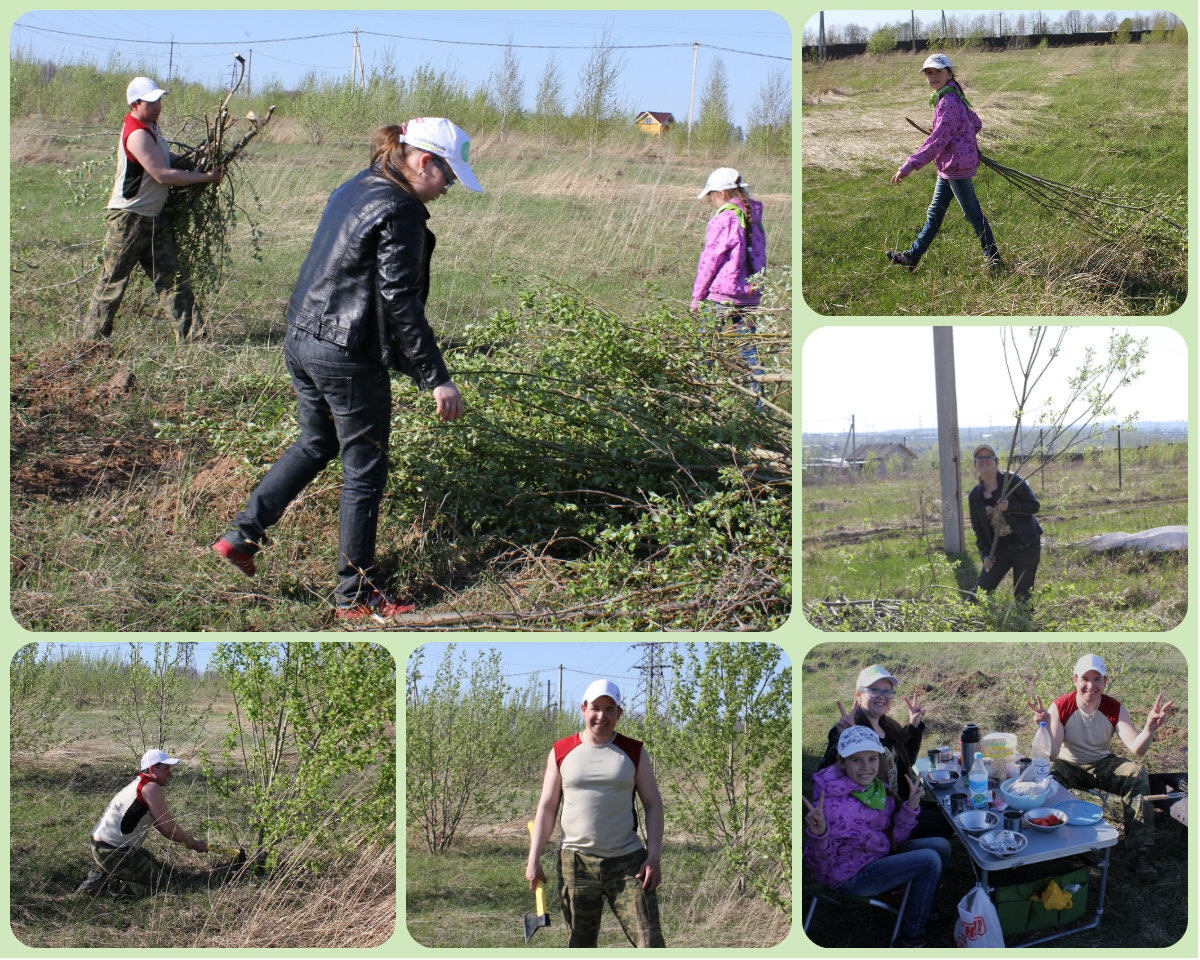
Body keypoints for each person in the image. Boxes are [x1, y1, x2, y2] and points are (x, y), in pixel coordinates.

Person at [211, 117, 480, 619]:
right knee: (365, 470)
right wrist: (436, 376)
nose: (449, 187)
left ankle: (242, 537)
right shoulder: (401, 209)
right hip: (345, 354)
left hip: (302, 336)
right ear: (424, 161)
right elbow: (400, 300)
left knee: (317, 442)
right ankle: (355, 596)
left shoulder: (360, 183)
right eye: (449, 175)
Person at [81, 76, 224, 342]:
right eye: (150, 102)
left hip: (154, 218)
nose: (157, 106)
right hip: (129, 218)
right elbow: (161, 174)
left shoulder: (151, 128)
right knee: (112, 282)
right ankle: (90, 344)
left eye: (158, 100)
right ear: (134, 104)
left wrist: (192, 164)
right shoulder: (135, 132)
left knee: (173, 279)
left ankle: (195, 340)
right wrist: (206, 178)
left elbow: (164, 157)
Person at [526, 679, 665, 948]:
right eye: (596, 708)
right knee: (581, 944)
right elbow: (547, 807)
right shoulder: (561, 751)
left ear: (619, 714)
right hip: (576, 863)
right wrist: (534, 858)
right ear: (583, 709)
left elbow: (653, 804)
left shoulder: (634, 751)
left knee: (650, 942)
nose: (602, 716)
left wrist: (654, 856)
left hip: (627, 864)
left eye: (610, 709)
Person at [1028, 653, 1175, 882]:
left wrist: (1149, 728)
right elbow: (1053, 753)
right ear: (1075, 679)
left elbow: (1137, 748)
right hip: (1068, 764)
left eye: (1097, 679)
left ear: (1105, 681)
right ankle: (1058, 847)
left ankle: (1139, 852)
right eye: (1085, 678)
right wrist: (1044, 727)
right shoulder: (1060, 706)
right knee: (1048, 780)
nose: (1091, 685)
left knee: (1136, 774)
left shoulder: (1113, 707)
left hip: (1102, 763)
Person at [804, 726, 951, 948]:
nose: (866, 768)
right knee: (929, 860)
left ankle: (924, 907)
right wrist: (819, 836)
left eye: (872, 759)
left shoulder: (876, 790)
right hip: (850, 876)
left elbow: (895, 839)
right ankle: (911, 937)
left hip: (877, 858)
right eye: (856, 760)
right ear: (842, 762)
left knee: (941, 846)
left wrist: (910, 807)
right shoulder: (830, 804)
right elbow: (820, 868)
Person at [886, 54, 1002, 271]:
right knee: (935, 213)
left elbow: (937, 140)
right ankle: (913, 256)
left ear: (949, 73)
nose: (933, 76)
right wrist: (960, 136)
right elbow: (975, 123)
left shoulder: (948, 101)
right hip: (949, 166)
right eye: (928, 73)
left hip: (956, 166)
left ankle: (993, 258)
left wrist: (909, 165)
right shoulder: (951, 95)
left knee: (972, 214)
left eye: (938, 71)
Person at [819, 664, 950, 840]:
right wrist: (843, 739)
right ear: (859, 695)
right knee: (946, 824)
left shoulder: (887, 726)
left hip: (902, 801)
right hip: (878, 813)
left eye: (888, 691)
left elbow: (906, 762)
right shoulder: (848, 727)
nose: (882, 697)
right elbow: (823, 775)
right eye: (874, 690)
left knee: (947, 812)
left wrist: (914, 725)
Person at [81, 749, 210, 895]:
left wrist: (190, 842)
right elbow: (168, 829)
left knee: (156, 865)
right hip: (112, 851)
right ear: (152, 769)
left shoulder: (139, 785)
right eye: (166, 768)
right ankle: (104, 887)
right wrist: (191, 841)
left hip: (101, 847)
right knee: (163, 885)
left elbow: (161, 828)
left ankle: (104, 875)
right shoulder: (151, 788)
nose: (170, 773)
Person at [691, 167, 767, 392]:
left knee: (707, 345)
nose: (711, 203)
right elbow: (760, 256)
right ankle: (759, 398)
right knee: (750, 349)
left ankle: (701, 390)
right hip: (749, 296)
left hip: (722, 296)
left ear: (722, 195)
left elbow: (710, 261)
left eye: (711, 198)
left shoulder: (724, 219)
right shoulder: (754, 218)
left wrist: (698, 296)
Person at [967, 443, 1043, 603]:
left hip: (1026, 545)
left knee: (1023, 597)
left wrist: (1010, 506)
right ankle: (961, 624)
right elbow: (979, 531)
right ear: (975, 465)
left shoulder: (1012, 481)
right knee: (978, 595)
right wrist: (985, 555)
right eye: (979, 458)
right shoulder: (974, 496)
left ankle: (1025, 626)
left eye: (988, 457)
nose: (984, 460)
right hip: (998, 550)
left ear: (996, 462)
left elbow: (1034, 506)